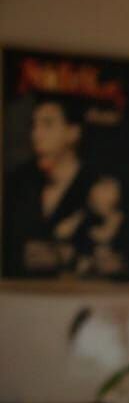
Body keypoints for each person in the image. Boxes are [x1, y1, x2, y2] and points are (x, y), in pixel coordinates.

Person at [2, 94, 93, 278]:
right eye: (34, 125)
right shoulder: (15, 182)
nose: (36, 135)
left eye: (47, 124)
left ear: (72, 132)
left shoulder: (97, 184)